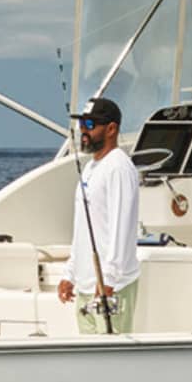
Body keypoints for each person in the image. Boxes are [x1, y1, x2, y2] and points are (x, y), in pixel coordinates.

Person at [58, 96, 141, 335]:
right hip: (86, 288)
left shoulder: (119, 167)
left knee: (114, 364)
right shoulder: (90, 167)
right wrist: (70, 273)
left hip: (111, 288)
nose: (83, 132)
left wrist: (110, 280)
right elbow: (82, 228)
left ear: (111, 129)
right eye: (82, 125)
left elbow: (121, 227)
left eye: (91, 126)